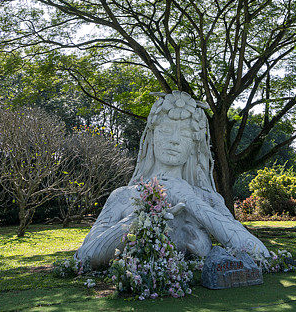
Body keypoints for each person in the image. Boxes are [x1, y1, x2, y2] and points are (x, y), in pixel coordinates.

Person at [75, 90, 269, 269]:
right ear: (152, 135)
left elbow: (259, 253)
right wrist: (145, 216)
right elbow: (85, 256)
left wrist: (189, 200)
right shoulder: (123, 196)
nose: (174, 139)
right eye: (166, 130)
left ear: (194, 145)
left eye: (184, 133)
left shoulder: (206, 198)